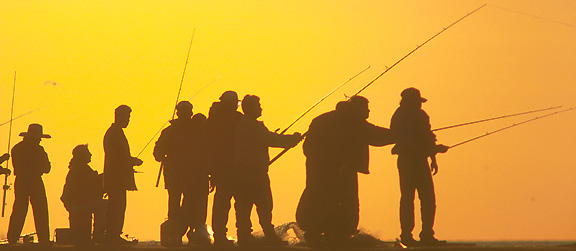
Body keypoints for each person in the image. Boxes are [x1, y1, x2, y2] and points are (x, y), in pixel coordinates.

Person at [296, 97, 393, 247]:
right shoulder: (353, 122)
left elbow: (308, 148)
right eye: (366, 108)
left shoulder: (321, 119)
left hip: (317, 172)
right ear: (358, 108)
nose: (368, 111)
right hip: (342, 171)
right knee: (345, 202)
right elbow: (375, 135)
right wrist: (400, 135)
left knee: (316, 199)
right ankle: (338, 234)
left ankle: (314, 232)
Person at [233, 95, 302, 247]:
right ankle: (259, 237)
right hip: (251, 173)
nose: (261, 108)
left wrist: (289, 140)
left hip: (250, 172)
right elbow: (271, 139)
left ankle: (249, 236)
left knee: (252, 206)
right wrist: (292, 139)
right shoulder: (251, 126)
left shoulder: (247, 125)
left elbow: (269, 138)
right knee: (260, 205)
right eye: (258, 106)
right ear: (250, 108)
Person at [390, 88, 448, 247]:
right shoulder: (404, 116)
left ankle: (424, 234)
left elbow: (426, 137)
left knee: (424, 198)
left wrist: (433, 157)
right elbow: (413, 140)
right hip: (410, 160)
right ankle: (410, 236)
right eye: (418, 101)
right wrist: (435, 150)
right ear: (410, 101)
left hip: (416, 160)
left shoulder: (406, 115)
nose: (420, 105)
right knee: (412, 198)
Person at [153, 101, 210, 246]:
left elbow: (158, 154)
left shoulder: (171, 131)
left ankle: (177, 234)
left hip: (177, 175)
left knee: (177, 204)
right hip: (186, 176)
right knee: (188, 203)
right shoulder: (197, 130)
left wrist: (166, 158)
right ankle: (184, 232)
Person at [203, 91, 243, 247]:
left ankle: (219, 235)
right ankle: (241, 235)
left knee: (221, 201)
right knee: (239, 201)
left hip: (217, 167)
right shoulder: (237, 119)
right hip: (233, 166)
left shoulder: (211, 120)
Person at [103, 105, 143, 245]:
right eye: (127, 117)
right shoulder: (114, 133)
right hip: (116, 179)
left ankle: (113, 235)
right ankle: (112, 236)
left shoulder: (115, 132)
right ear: (118, 116)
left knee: (118, 207)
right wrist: (132, 161)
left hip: (116, 178)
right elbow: (117, 157)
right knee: (117, 207)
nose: (128, 120)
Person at [7, 123, 52, 244]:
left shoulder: (16, 149)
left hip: (21, 181)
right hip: (35, 181)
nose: (39, 140)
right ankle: (44, 238)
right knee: (40, 209)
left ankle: (12, 236)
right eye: (38, 138)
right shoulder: (39, 150)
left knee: (19, 209)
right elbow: (47, 168)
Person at [61, 144, 106, 245]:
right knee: (104, 205)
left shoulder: (79, 168)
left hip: (76, 203)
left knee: (102, 204)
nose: (90, 154)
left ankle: (98, 235)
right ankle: (99, 236)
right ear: (82, 155)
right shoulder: (80, 169)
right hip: (77, 205)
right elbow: (93, 183)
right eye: (88, 153)